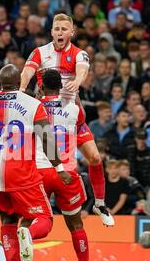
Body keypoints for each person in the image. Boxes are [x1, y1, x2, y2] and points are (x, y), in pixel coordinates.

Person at [0, 64, 71, 261]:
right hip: (21, 172)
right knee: (45, 218)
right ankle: (29, 235)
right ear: (19, 81)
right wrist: (60, 168)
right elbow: (46, 138)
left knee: (8, 220)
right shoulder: (32, 105)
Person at [20, 13, 109, 219]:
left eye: (64, 29)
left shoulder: (79, 54)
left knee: (95, 158)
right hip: (44, 119)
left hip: (71, 118)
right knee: (36, 163)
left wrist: (77, 82)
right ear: (51, 31)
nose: (60, 32)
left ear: (72, 32)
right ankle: (31, 209)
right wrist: (22, 88)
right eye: (56, 29)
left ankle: (100, 204)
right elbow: (27, 72)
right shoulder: (40, 53)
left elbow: (82, 71)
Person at [35, 69, 113, 261]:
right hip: (66, 172)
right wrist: (74, 93)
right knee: (76, 226)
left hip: (41, 171)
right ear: (61, 87)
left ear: (41, 87)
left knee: (32, 220)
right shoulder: (73, 110)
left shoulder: (34, 107)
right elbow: (81, 121)